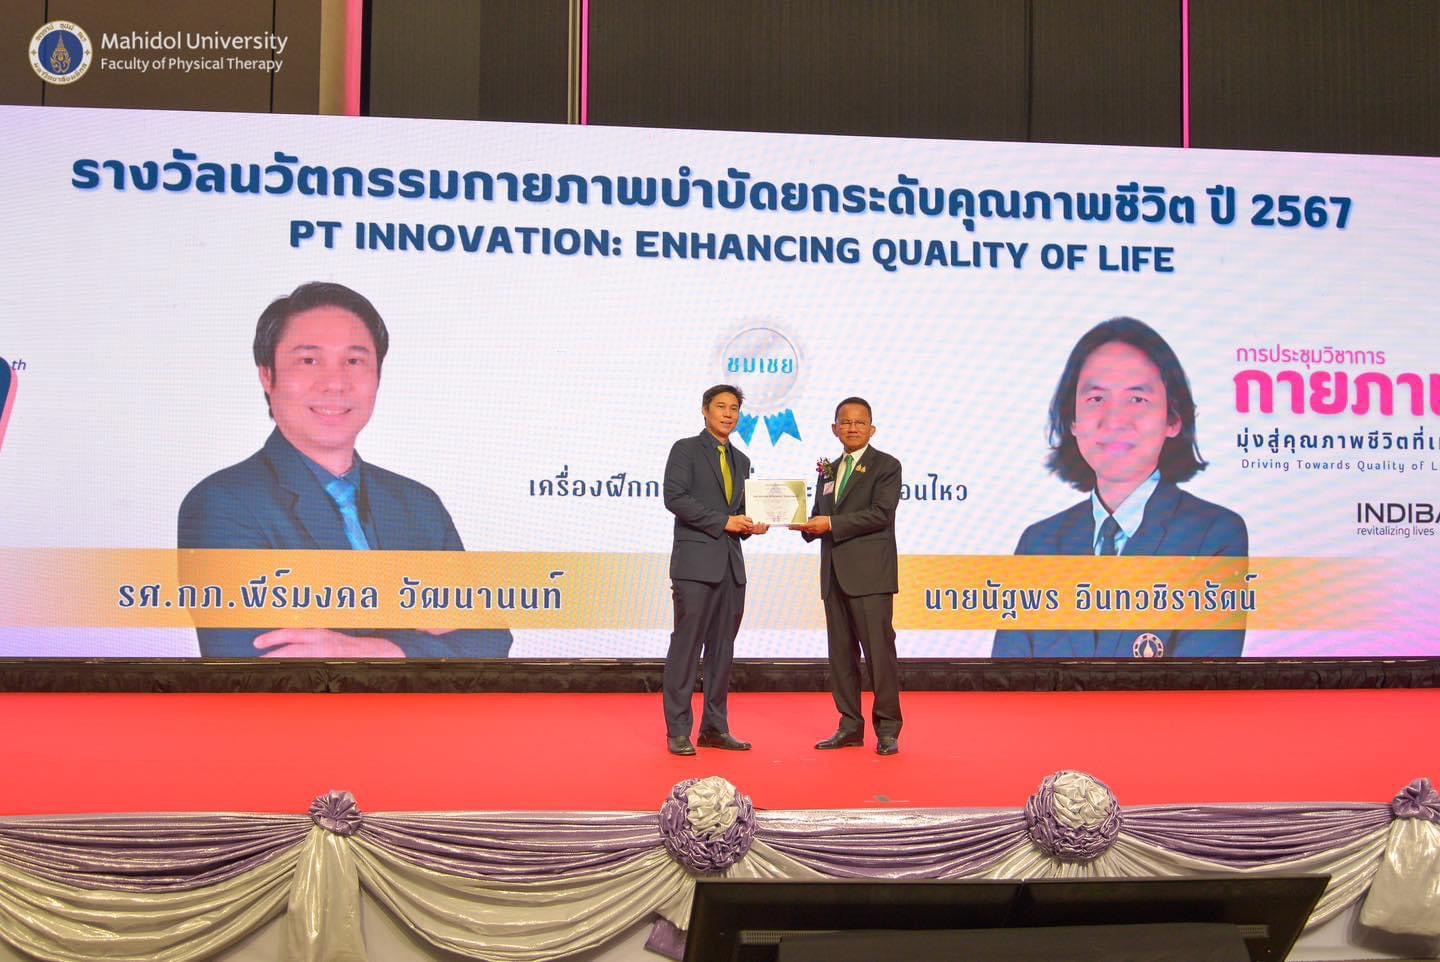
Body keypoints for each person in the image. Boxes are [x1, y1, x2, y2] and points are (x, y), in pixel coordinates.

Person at [178, 281, 512, 658]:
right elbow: (260, 662)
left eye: (354, 361)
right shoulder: (223, 504)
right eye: (309, 361)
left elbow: (489, 641)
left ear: (378, 376)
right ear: (267, 375)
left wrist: (365, 649)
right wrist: (424, 644)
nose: (335, 383)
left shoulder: (417, 504)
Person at [992, 317, 1247, 658]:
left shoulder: (1213, 535)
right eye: (1096, 398)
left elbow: (1202, 682)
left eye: (1137, 399)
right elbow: (1007, 680)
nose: (1113, 420)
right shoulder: (1038, 544)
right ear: (1072, 420)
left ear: (1173, 419)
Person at [661, 384, 768, 755]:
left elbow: (739, 514)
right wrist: (724, 521)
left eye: (734, 408)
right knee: (686, 648)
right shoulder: (685, 450)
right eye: (721, 407)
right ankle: (678, 730)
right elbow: (675, 498)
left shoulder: (742, 460)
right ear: (705, 410)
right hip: (694, 567)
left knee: (722, 652)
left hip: (731, 568)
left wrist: (752, 524)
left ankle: (715, 728)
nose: (728, 414)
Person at [796, 397, 903, 755]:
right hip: (834, 576)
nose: (852, 427)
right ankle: (849, 726)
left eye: (859, 422)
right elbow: (819, 513)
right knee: (840, 657)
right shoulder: (827, 470)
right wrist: (802, 524)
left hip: (870, 576)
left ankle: (887, 729)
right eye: (845, 422)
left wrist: (830, 524)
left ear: (872, 429)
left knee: (879, 656)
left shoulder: (886, 465)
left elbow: (881, 514)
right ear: (834, 428)